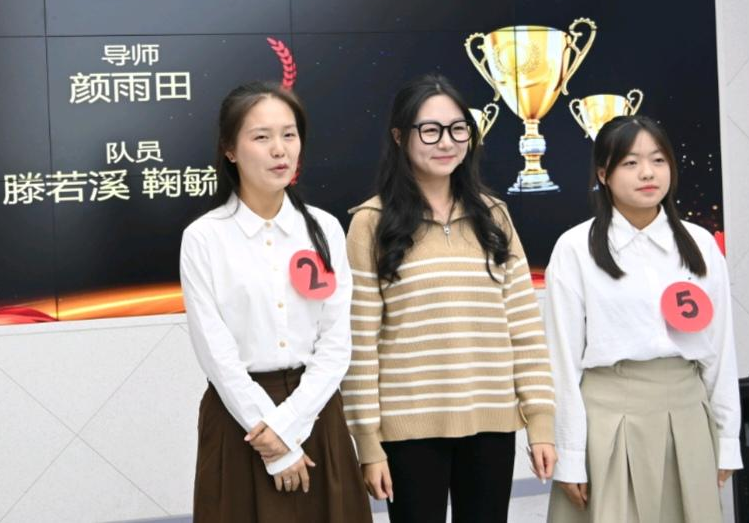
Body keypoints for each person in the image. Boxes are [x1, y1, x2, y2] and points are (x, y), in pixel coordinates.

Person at [342, 74, 557, 523]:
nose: (446, 142)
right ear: (399, 136)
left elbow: (524, 330)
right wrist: (368, 442)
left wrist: (540, 421)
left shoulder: (495, 216)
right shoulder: (371, 222)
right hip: (409, 431)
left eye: (458, 129)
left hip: (491, 423)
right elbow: (360, 345)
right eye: (430, 130)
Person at [179, 81, 372, 523]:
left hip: (315, 414)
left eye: (289, 134)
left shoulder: (324, 229)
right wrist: (273, 441)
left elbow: (336, 344)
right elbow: (216, 355)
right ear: (230, 149)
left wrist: (289, 428)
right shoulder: (204, 238)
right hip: (241, 423)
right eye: (261, 137)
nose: (279, 149)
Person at [544, 115, 742, 523]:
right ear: (604, 174)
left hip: (688, 416)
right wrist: (570, 454)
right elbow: (561, 362)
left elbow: (720, 352)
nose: (648, 173)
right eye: (631, 163)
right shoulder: (575, 248)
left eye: (658, 160)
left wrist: (727, 439)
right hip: (607, 420)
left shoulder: (701, 244)